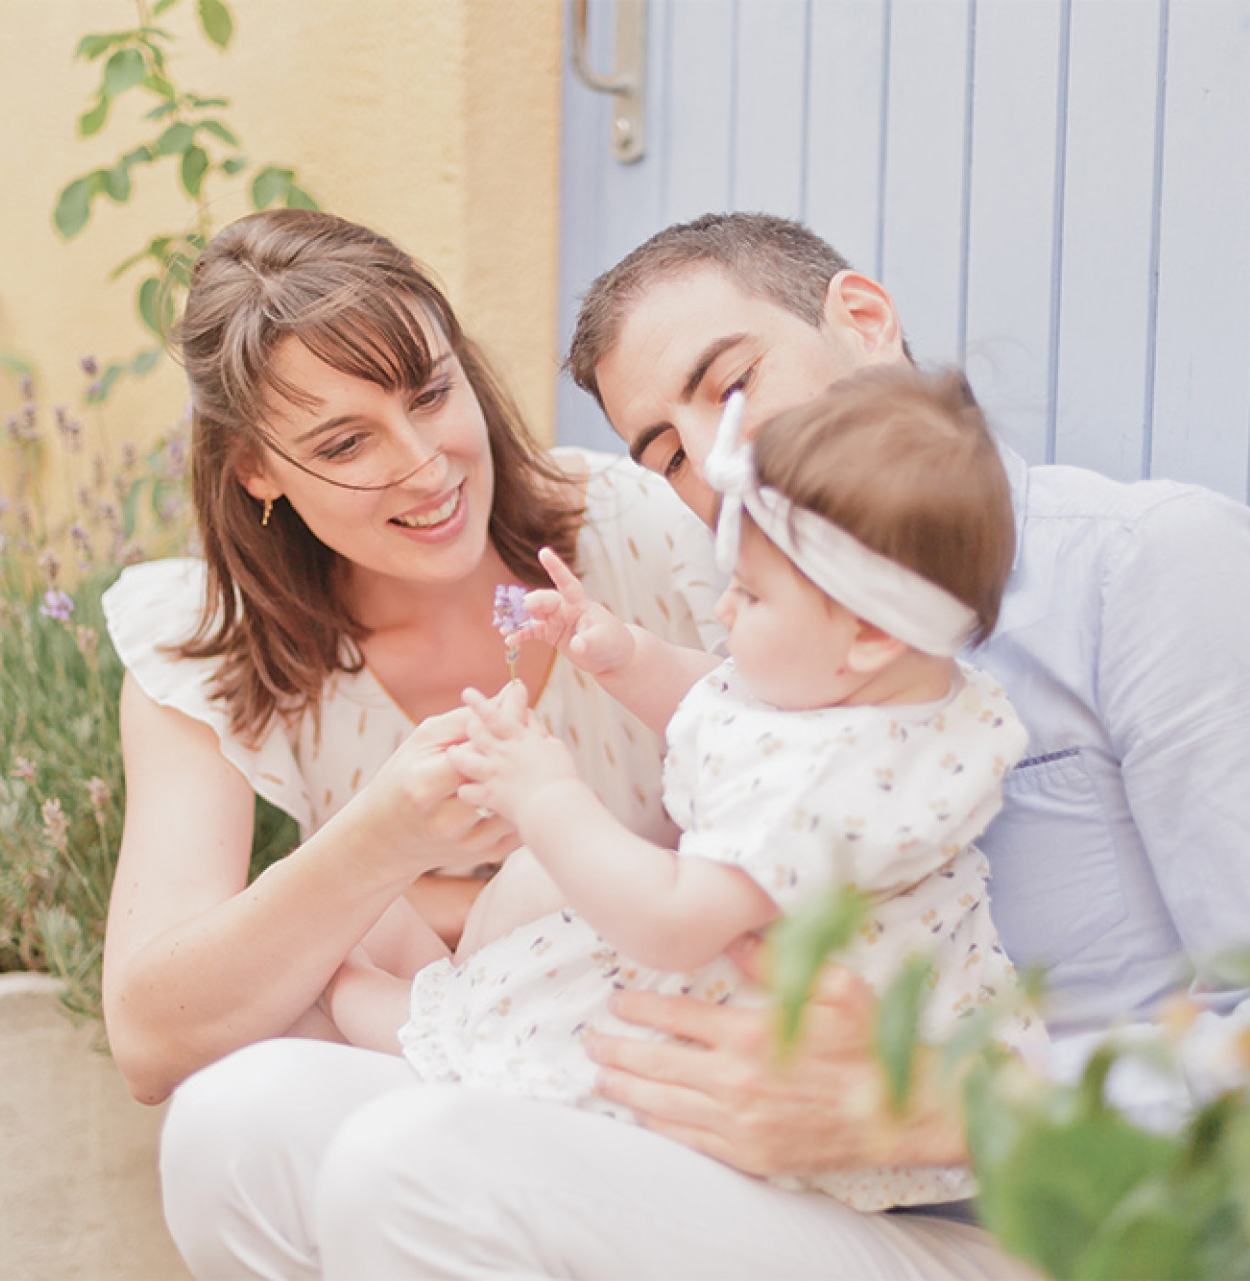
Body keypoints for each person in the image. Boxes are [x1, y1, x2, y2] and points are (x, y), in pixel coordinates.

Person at [161, 211, 1250, 1278]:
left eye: (729, 387)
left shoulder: (1158, 573)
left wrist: (947, 1106)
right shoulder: (770, 645)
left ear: (864, 320)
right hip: (797, 1191)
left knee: (418, 1167)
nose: (716, 463)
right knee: (239, 1123)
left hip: (1056, 1229)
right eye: (666, 452)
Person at [97, 207, 730, 1250]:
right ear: (256, 469)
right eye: (345, 442)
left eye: (431, 394)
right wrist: (383, 840)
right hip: (416, 1091)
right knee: (224, 1119)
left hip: (651, 1077)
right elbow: (150, 1036)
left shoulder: (635, 530)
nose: (426, 465)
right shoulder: (210, 641)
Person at [330, 366, 1044, 1218]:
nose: (725, 608)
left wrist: (545, 796)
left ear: (868, 633)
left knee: (494, 1027)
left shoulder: (828, 785)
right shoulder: (896, 697)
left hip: (750, 1032)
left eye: (751, 592)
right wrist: (624, 653)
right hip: (802, 1005)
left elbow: (673, 921)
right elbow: (728, 712)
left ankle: (370, 1008)